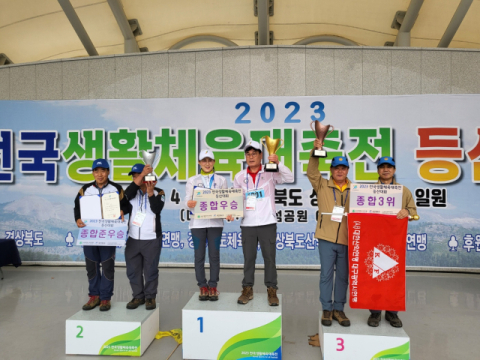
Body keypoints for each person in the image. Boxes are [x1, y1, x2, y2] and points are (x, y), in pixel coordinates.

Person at [234, 140, 294, 306]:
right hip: (247, 224)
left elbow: (289, 177)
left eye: (254, 153)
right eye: (248, 154)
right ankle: (247, 289)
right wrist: (231, 213)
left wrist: (277, 162)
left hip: (268, 222)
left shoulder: (270, 171)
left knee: (269, 258)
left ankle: (271, 289)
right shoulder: (239, 177)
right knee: (249, 258)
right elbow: (235, 200)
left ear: (261, 155)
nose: (251, 157)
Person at [367, 156, 417, 328]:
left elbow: (413, 211)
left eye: (389, 167)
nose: (386, 170)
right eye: (382, 167)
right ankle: (374, 313)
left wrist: (406, 211)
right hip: (375, 239)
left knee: (393, 276)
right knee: (375, 275)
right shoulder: (369, 190)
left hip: (394, 240)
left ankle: (392, 313)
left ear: (394, 170)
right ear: (378, 170)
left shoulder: (403, 191)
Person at [74, 159, 129, 311]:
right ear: (93, 173)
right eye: (96, 171)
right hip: (89, 234)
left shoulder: (116, 188)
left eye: (103, 171)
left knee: (107, 266)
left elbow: (126, 205)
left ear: (108, 172)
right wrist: (78, 218)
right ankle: (94, 296)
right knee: (91, 266)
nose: (100, 174)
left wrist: (122, 210)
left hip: (108, 234)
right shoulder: (84, 190)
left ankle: (105, 298)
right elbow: (77, 207)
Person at [307, 139, 351, 327]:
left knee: (342, 276)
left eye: (343, 168)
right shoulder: (322, 185)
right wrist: (315, 151)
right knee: (326, 274)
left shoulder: (355, 189)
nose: (340, 171)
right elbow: (311, 171)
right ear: (331, 170)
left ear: (347, 170)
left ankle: (339, 309)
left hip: (347, 239)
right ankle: (326, 308)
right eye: (336, 168)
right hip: (326, 237)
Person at [185, 150, 233, 301]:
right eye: (203, 160)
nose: (207, 163)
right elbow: (187, 200)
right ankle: (202, 286)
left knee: (214, 255)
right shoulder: (192, 180)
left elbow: (225, 201)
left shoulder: (221, 180)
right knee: (199, 256)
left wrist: (229, 213)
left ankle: (213, 285)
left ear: (214, 162)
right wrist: (189, 203)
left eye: (210, 160)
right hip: (197, 224)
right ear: (199, 162)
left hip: (216, 223)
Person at [124, 163, 165, 310]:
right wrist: (141, 177)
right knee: (133, 270)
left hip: (152, 239)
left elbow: (157, 209)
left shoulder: (159, 192)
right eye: (135, 177)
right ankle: (138, 297)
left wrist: (150, 192)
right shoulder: (130, 194)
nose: (137, 179)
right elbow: (121, 202)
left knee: (151, 270)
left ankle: (150, 297)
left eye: (140, 176)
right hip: (133, 238)